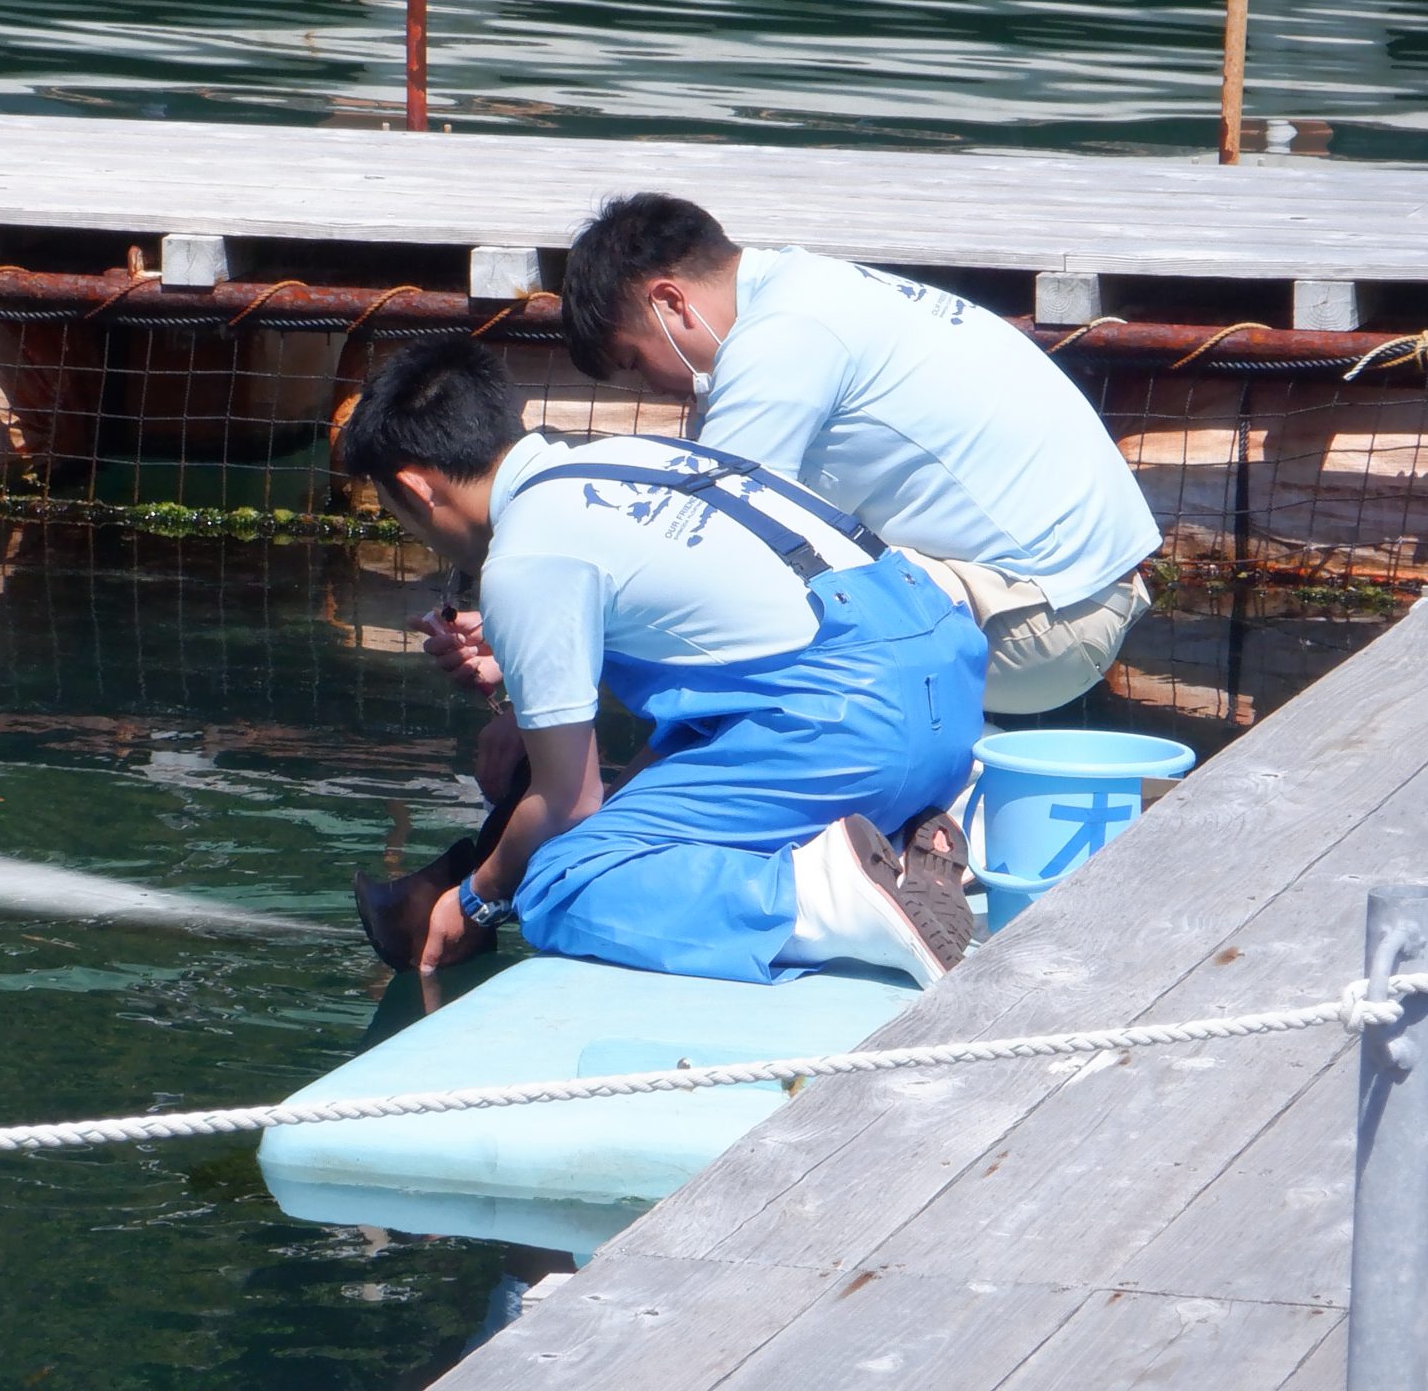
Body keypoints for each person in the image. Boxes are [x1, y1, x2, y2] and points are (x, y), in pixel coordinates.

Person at [343, 338, 983, 985]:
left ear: (416, 489)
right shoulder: (632, 454)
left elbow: (568, 802)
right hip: (946, 686)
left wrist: (475, 901)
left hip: (855, 719)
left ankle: (831, 898)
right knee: (625, 808)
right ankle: (917, 830)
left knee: (560, 881)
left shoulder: (524, 556)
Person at [556, 193, 1160, 715]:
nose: (652, 388)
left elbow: (711, 556)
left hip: (1051, 623)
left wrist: (558, 650)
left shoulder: (779, 340)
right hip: (1080, 590)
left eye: (635, 362)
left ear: (671, 302)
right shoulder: (808, 285)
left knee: (750, 631)